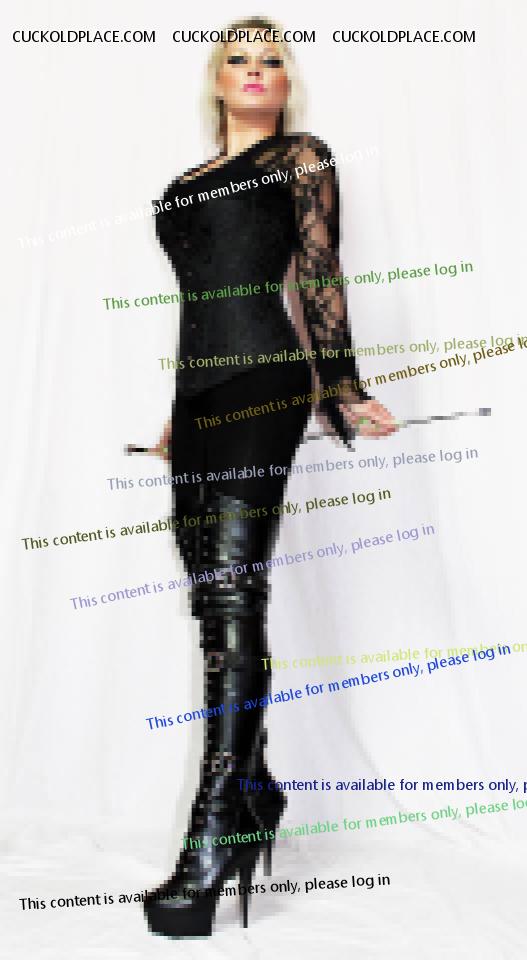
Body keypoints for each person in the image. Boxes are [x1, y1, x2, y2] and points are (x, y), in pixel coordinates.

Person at [144, 16, 397, 939]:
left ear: (287, 81)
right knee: (210, 599)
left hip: (265, 384)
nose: (255, 71)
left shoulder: (299, 157)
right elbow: (199, 300)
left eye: (272, 60)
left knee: (234, 594)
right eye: (238, 59)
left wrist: (343, 386)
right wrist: (181, 413)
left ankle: (213, 832)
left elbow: (318, 273)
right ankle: (253, 791)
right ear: (216, 79)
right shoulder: (185, 183)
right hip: (201, 396)